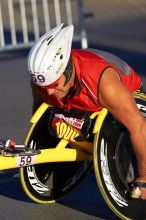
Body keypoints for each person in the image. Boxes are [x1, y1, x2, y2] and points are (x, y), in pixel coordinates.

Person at [28, 24, 146, 200]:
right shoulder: (44, 81)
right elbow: (39, 114)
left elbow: (139, 127)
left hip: (123, 99)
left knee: (127, 172)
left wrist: (144, 176)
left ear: (67, 69)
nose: (49, 92)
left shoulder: (105, 84)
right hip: (81, 99)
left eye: (53, 85)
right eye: (43, 87)